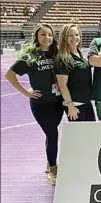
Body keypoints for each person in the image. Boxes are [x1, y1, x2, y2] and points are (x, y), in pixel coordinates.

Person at [5, 23, 63, 185]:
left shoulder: (56, 53)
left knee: (51, 133)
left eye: (50, 34)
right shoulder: (30, 56)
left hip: (57, 102)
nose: (47, 38)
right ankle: (53, 167)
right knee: (52, 134)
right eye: (43, 34)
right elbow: (9, 75)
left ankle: (49, 161)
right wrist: (25, 92)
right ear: (36, 37)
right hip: (40, 104)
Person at [56, 24, 96, 121]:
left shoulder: (79, 54)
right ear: (64, 37)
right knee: (80, 135)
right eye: (70, 35)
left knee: (91, 133)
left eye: (77, 35)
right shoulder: (63, 58)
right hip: (75, 104)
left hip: (86, 102)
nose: (74, 38)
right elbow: (62, 85)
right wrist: (70, 106)